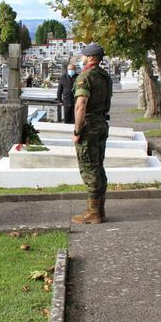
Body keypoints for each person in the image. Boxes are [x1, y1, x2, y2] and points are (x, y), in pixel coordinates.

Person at [71, 43, 113, 224]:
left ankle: (93, 212)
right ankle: (100, 209)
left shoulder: (85, 76)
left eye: (83, 56)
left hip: (89, 126)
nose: (81, 59)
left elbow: (81, 105)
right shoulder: (105, 76)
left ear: (91, 58)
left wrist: (77, 130)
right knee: (98, 166)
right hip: (102, 124)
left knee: (89, 168)